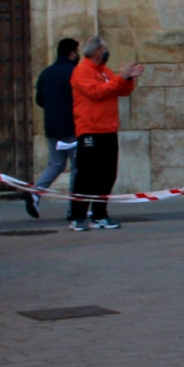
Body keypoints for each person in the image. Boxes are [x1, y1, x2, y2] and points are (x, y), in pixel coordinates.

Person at [69, 35, 142, 231]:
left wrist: (128, 78)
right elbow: (97, 92)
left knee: (107, 174)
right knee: (86, 175)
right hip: (90, 130)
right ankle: (77, 216)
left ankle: (100, 214)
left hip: (108, 129)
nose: (107, 52)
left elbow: (120, 90)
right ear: (96, 51)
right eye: (104, 48)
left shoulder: (104, 71)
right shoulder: (82, 71)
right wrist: (121, 77)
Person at [30, 37, 81, 218]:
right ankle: (74, 209)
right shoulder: (75, 72)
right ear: (72, 53)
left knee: (56, 163)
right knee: (77, 168)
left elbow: (39, 100)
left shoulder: (46, 73)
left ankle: (36, 192)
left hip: (52, 127)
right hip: (72, 128)